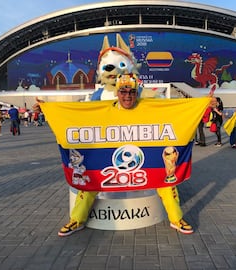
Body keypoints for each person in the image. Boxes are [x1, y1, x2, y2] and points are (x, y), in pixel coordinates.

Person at [58, 74, 194, 237]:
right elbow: (76, 116)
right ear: (117, 92)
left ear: (137, 93)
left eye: (132, 92)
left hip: (143, 158)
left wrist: (204, 103)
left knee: (165, 181)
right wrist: (47, 109)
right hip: (110, 157)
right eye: (123, 91)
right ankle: (76, 220)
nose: (127, 96)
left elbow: (176, 111)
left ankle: (177, 219)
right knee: (89, 181)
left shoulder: (148, 107)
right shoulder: (104, 109)